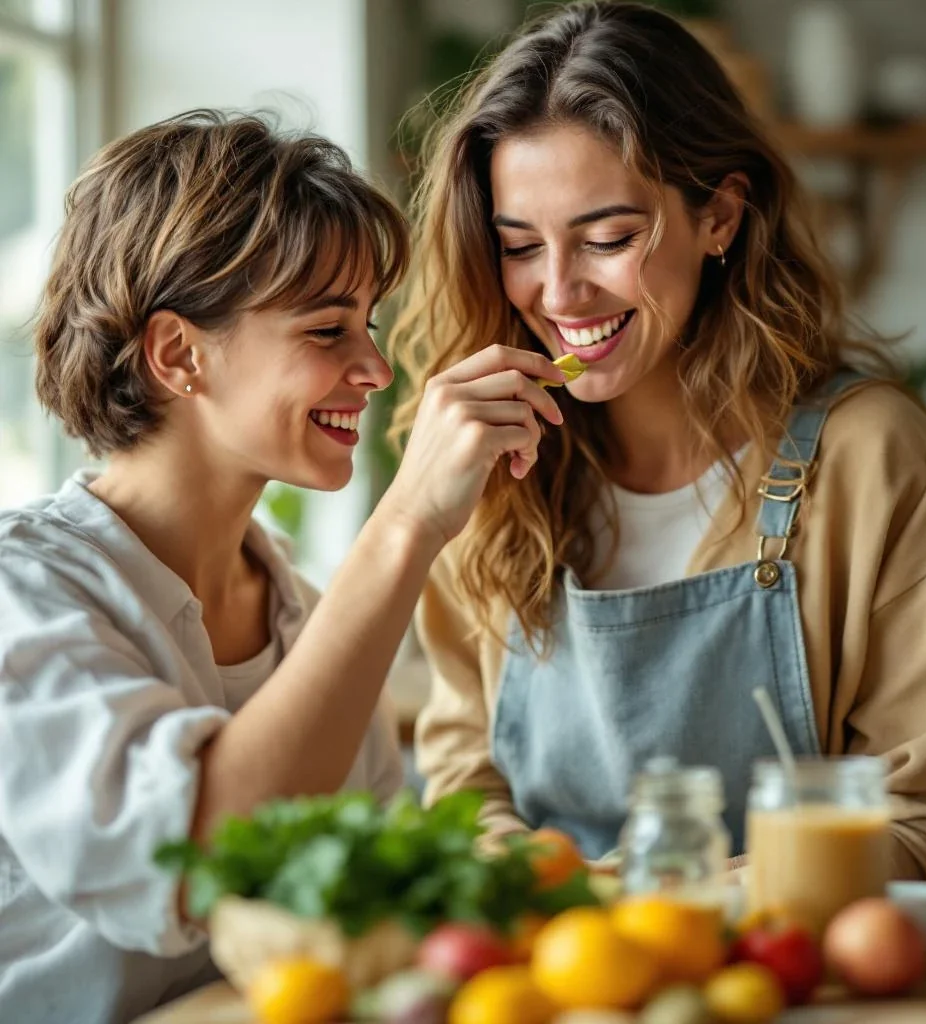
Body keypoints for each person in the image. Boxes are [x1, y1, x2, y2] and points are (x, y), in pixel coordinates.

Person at [391, 0, 926, 892]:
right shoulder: (488, 463)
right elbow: (462, 789)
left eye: (609, 238)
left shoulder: (868, 456)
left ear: (719, 214)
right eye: (519, 245)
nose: (560, 292)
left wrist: (675, 903)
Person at [0, 111, 564, 1023]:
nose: (377, 368)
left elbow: (374, 910)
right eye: (326, 330)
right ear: (180, 353)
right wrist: (409, 523)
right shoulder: (22, 594)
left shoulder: (297, 610)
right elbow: (199, 857)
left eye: (368, 325)